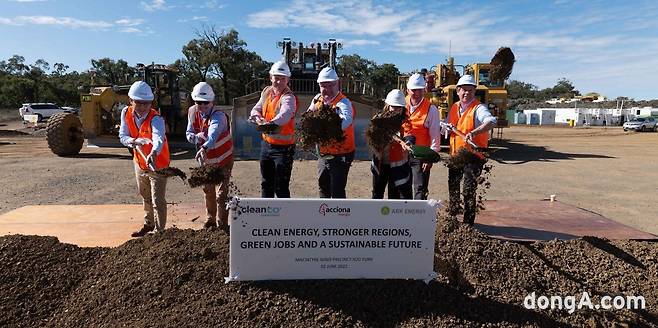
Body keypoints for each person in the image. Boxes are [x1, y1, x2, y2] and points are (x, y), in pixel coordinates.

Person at [119, 81, 170, 237]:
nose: (142, 107)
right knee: (145, 195)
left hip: (158, 164)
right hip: (140, 162)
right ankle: (149, 225)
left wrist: (154, 152)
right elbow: (123, 136)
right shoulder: (126, 113)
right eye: (138, 103)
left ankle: (159, 231)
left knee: (157, 199)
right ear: (131, 101)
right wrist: (133, 141)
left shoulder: (156, 119)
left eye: (146, 104)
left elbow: (158, 137)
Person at [445, 75, 497, 225]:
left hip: (473, 156)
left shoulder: (479, 108)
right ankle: (453, 218)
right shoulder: (454, 107)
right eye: (463, 90)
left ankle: (468, 224)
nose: (466, 93)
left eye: (470, 90)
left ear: (474, 91)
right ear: (458, 91)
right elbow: (449, 125)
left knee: (468, 189)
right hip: (456, 154)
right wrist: (445, 128)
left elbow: (491, 121)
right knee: (453, 186)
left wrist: (474, 132)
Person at [186, 82, 234, 232]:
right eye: (199, 102)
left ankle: (223, 223)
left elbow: (213, 134)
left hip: (224, 160)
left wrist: (205, 146)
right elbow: (188, 134)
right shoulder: (192, 112)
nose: (202, 106)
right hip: (207, 162)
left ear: (212, 101)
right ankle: (210, 219)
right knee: (208, 191)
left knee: (222, 194)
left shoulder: (219, 116)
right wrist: (196, 138)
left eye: (206, 103)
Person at [249, 61, 298, 198]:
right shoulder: (267, 92)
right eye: (276, 78)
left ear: (288, 80)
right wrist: (258, 118)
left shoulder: (289, 97)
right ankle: (266, 217)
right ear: (271, 77)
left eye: (283, 78)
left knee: (281, 186)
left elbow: (286, 114)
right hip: (267, 145)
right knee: (266, 183)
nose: (279, 81)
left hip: (284, 149)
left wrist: (268, 124)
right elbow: (255, 109)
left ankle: (285, 218)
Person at [307, 67, 355, 198]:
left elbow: (347, 119)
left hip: (342, 152)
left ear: (337, 84)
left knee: (337, 188)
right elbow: (308, 116)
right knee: (323, 184)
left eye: (330, 85)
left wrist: (327, 129)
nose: (326, 89)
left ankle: (338, 216)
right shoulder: (317, 99)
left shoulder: (343, 102)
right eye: (323, 86)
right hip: (324, 152)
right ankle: (324, 212)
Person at [403, 73, 441, 200]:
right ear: (407, 90)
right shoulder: (401, 104)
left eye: (420, 90)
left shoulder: (431, 109)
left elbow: (435, 135)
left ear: (424, 90)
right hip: (402, 153)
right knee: (403, 185)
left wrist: (429, 158)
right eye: (413, 90)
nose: (417, 93)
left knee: (420, 187)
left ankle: (419, 216)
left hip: (421, 155)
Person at [371, 89, 412, 199]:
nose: (396, 110)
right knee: (377, 193)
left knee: (394, 196)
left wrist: (407, 142)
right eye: (393, 106)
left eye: (399, 107)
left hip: (397, 166)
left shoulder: (405, 122)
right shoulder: (378, 119)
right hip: (380, 163)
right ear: (387, 105)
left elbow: (409, 135)